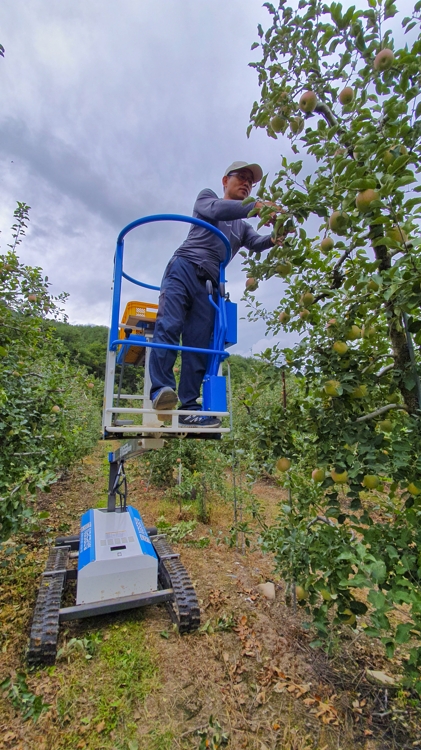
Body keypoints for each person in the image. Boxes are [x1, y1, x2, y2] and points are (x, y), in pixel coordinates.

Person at [149, 160, 275, 428]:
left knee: (199, 345)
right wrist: (257, 207)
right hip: (184, 267)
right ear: (224, 181)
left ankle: (190, 407)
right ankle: (161, 391)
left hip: (210, 285)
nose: (246, 184)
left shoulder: (242, 227)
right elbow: (218, 209)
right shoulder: (208, 199)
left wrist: (279, 233)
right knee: (169, 325)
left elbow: (259, 243)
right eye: (240, 177)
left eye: (250, 183)